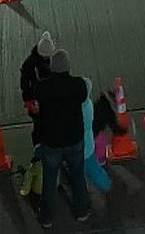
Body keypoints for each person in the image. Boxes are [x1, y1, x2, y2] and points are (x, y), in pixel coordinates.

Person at [33, 49, 90, 227]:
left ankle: (47, 218)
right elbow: (83, 97)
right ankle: (81, 211)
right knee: (78, 176)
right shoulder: (78, 85)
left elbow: (35, 100)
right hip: (74, 139)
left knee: (50, 181)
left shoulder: (42, 87)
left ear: (52, 67)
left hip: (52, 142)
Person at [20, 31, 56, 117]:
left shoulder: (52, 61)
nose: (46, 57)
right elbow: (25, 83)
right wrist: (28, 99)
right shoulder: (30, 63)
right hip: (37, 99)